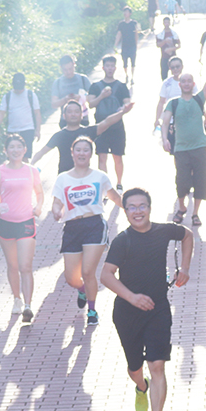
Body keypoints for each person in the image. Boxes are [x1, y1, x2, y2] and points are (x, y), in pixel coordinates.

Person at [101, 187, 193, 411]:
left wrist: (185, 268)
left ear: (150, 208)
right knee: (135, 369)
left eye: (142, 206)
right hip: (127, 314)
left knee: (157, 365)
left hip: (157, 309)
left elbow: (187, 235)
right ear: (126, 211)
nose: (137, 211)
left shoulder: (164, 231)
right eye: (131, 207)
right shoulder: (123, 241)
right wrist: (132, 297)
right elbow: (105, 275)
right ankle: (141, 387)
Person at [51, 137, 123, 327]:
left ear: (91, 154)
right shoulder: (63, 178)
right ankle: (82, 289)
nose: (82, 153)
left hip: (94, 225)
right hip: (72, 228)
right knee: (71, 278)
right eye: (78, 150)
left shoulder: (100, 176)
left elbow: (115, 197)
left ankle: (92, 310)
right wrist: (56, 211)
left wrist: (132, 208)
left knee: (88, 271)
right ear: (72, 153)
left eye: (86, 150)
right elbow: (57, 202)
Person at [0, 134, 43, 322]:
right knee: (12, 265)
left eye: (19, 147)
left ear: (24, 149)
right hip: (5, 223)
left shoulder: (31, 170)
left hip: (26, 222)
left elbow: (40, 194)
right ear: (5, 150)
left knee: (25, 266)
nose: (15, 150)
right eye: (11, 147)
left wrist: (38, 207)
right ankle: (17, 299)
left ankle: (28, 306)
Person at [160, 55, 206, 226]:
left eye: (189, 81)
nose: (186, 84)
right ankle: (182, 207)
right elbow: (165, 122)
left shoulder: (199, 99)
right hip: (181, 148)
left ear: (193, 84)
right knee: (182, 180)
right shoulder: (173, 103)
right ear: (179, 84)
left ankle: (195, 213)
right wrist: (164, 139)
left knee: (201, 180)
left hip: (199, 147)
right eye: (183, 81)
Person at [32, 99, 133, 174]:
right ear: (64, 116)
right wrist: (29, 166)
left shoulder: (88, 131)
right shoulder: (59, 135)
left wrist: (122, 112)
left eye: (76, 112)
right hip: (65, 178)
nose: (73, 114)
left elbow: (107, 122)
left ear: (81, 115)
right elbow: (41, 152)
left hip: (84, 176)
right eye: (70, 112)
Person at [87, 55, 132, 192]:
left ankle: (119, 183)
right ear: (103, 67)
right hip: (100, 127)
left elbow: (127, 102)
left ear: (115, 67)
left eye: (112, 66)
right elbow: (91, 104)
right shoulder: (95, 86)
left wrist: (123, 108)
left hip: (117, 127)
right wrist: (102, 96)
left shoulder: (121, 86)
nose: (110, 68)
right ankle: (105, 186)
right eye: (107, 66)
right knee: (102, 156)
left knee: (118, 156)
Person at [0, 72, 42, 159]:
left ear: (24, 84)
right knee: (12, 157)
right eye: (16, 87)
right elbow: (1, 113)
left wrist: (38, 130)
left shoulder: (30, 95)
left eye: (20, 88)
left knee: (25, 156)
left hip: (28, 129)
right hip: (12, 130)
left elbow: (37, 113)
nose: (18, 90)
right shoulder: (7, 96)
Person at [153, 57, 198, 132]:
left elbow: (197, 100)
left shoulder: (189, 82)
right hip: (171, 122)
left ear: (182, 66)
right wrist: (157, 119)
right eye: (173, 67)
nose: (175, 69)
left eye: (177, 66)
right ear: (170, 69)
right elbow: (161, 102)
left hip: (188, 120)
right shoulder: (166, 83)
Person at [50, 54, 92, 128]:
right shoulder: (58, 83)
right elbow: (54, 104)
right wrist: (65, 99)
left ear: (74, 65)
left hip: (82, 119)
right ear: (61, 68)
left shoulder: (83, 79)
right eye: (65, 70)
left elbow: (92, 99)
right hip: (65, 121)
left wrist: (81, 97)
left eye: (70, 69)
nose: (68, 72)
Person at [113, 7, 140, 84]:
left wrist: (136, 44)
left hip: (132, 45)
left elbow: (136, 34)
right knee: (124, 62)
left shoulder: (134, 23)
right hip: (124, 46)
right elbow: (119, 34)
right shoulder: (121, 24)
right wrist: (115, 44)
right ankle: (126, 75)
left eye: (127, 12)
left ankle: (132, 77)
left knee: (133, 62)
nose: (125, 13)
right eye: (124, 12)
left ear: (130, 13)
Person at [155, 17, 180, 81]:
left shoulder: (174, 33)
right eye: (165, 22)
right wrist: (165, 41)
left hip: (173, 57)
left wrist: (171, 49)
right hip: (164, 57)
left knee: (176, 74)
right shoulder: (160, 34)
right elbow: (158, 45)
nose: (167, 24)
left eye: (168, 22)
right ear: (163, 23)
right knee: (164, 75)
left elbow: (179, 45)